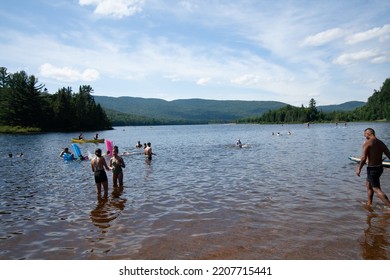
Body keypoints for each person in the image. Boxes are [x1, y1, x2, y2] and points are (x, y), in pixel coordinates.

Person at [357, 128, 390, 207]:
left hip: (372, 169)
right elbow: (389, 154)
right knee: (368, 185)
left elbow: (363, 158)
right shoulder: (381, 143)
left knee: (376, 188)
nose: (365, 137)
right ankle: (369, 203)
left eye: (365, 135)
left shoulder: (367, 143)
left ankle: (389, 205)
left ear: (368, 133)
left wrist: (359, 169)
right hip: (379, 168)